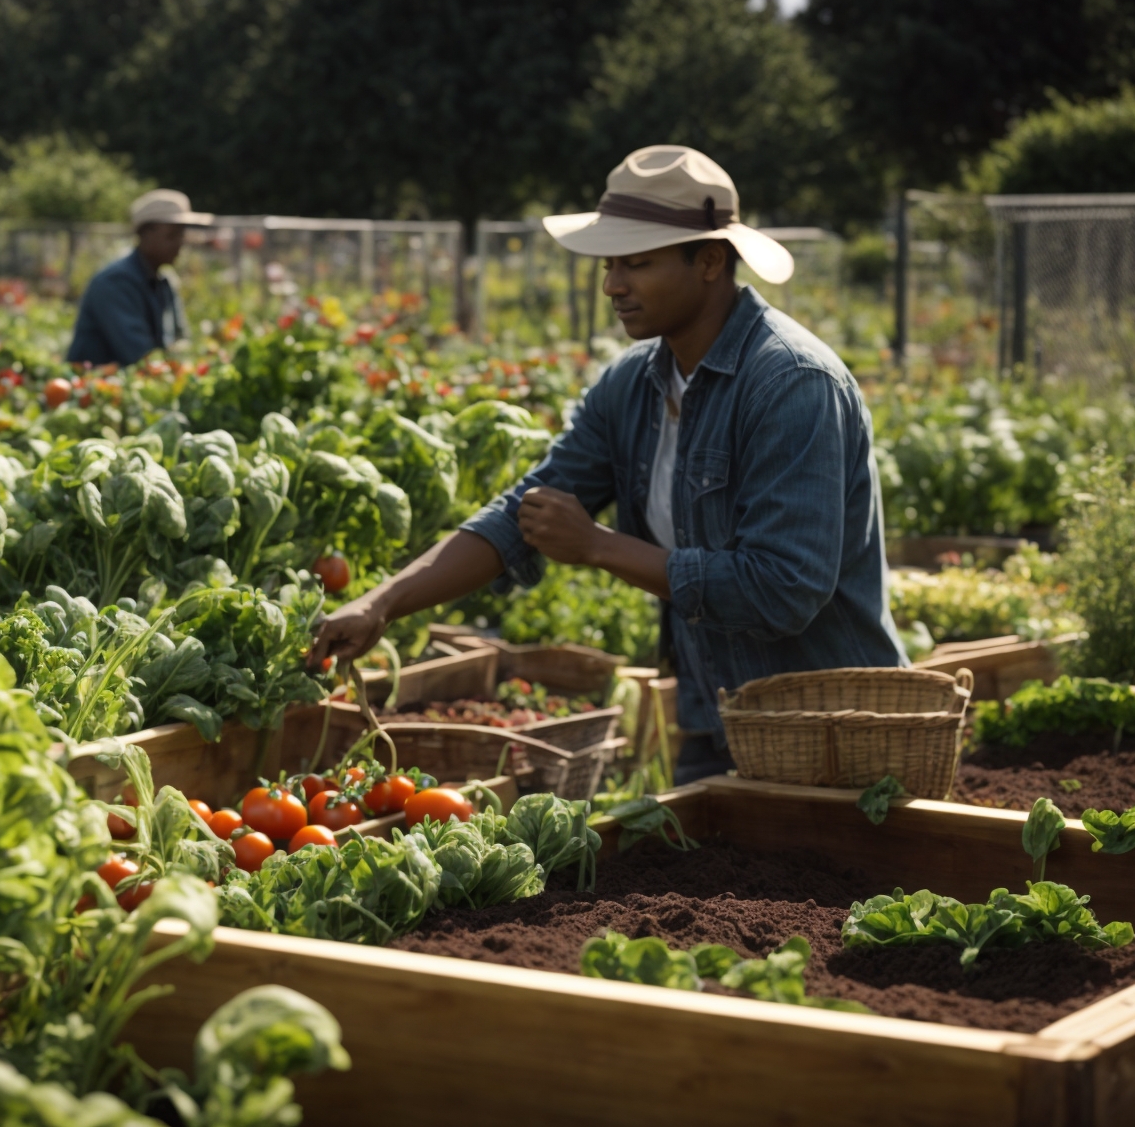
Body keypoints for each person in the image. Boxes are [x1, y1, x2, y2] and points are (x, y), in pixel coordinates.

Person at [307, 145, 908, 784]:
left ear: (709, 261)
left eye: (636, 264)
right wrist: (380, 604)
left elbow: (782, 589)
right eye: (609, 263)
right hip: (719, 715)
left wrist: (597, 546)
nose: (612, 285)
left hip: (837, 731)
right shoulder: (633, 384)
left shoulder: (790, 382)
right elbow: (525, 513)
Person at [66, 188, 213, 367]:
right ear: (146, 234)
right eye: (172, 235)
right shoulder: (114, 283)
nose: (180, 243)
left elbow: (180, 341)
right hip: (97, 389)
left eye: (182, 234)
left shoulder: (165, 281)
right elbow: (139, 357)